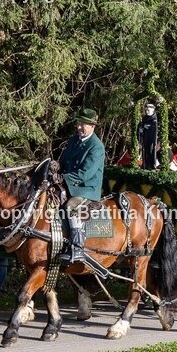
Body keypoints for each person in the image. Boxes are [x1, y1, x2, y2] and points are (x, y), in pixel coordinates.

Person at [59, 108, 105, 265]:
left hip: (86, 189)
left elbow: (85, 174)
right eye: (78, 124)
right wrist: (55, 168)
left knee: (71, 206)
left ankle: (77, 247)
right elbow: (64, 161)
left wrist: (63, 178)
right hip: (69, 182)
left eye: (83, 124)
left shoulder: (97, 147)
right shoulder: (73, 140)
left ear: (92, 126)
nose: (79, 127)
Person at [136, 103, 161, 170]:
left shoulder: (157, 120)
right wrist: (139, 140)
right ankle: (145, 166)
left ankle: (152, 167)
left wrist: (159, 143)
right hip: (145, 141)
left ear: (153, 109)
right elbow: (139, 130)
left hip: (154, 142)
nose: (147, 108)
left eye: (150, 107)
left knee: (152, 155)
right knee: (145, 155)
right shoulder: (143, 119)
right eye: (146, 107)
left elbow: (161, 133)